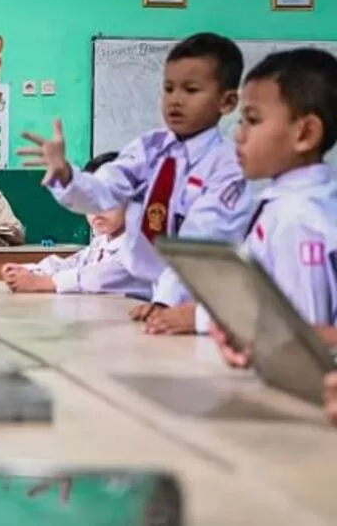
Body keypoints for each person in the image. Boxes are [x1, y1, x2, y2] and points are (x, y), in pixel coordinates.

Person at [17, 32, 251, 331]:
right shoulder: (150, 148)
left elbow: (200, 243)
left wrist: (167, 302)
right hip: (156, 295)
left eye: (191, 90)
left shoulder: (229, 165)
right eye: (168, 88)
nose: (175, 100)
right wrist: (67, 175)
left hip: (205, 302)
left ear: (227, 102)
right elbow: (104, 191)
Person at [205, 48, 337, 424]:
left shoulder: (300, 216)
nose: (239, 135)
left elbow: (306, 342)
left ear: (305, 133)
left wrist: (264, 338)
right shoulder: (286, 203)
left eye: (252, 120)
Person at [1, 152, 152, 300]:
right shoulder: (101, 242)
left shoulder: (142, 243)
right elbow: (72, 264)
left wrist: (43, 282)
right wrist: (29, 270)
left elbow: (101, 277)